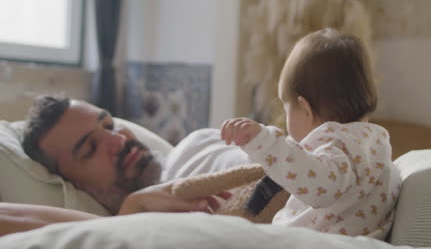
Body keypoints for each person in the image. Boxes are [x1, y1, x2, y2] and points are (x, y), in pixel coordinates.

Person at [221, 28, 402, 239]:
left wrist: (265, 142)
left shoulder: (337, 144)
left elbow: (317, 185)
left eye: (286, 108)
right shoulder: (374, 142)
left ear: (305, 109)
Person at [0, 95, 229, 236]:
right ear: (74, 186)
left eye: (109, 125)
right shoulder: (122, 231)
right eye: (90, 149)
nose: (118, 140)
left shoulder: (196, 148)